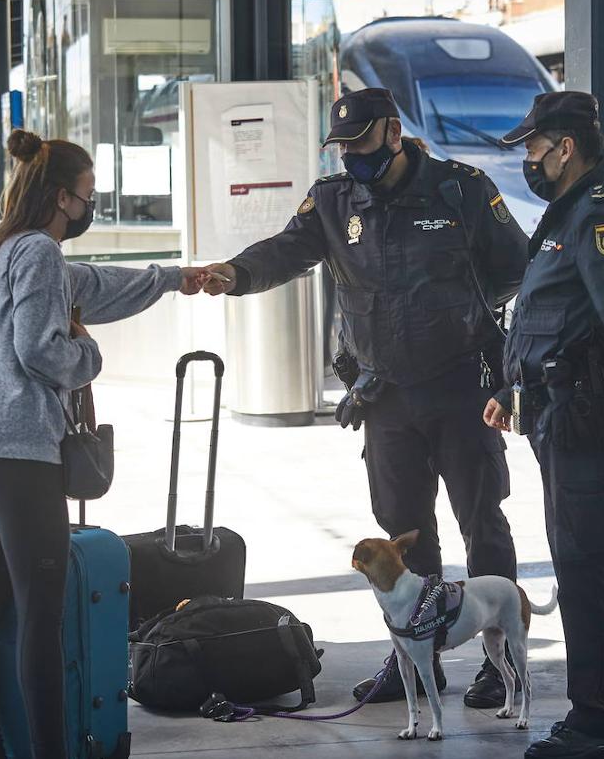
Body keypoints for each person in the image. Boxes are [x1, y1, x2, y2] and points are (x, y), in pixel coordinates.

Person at [202, 88, 530, 707]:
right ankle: (419, 658)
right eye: (343, 144)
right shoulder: (332, 200)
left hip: (462, 387)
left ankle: (499, 657)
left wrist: (467, 311)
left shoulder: (460, 189)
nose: (351, 152)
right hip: (387, 395)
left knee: (482, 523)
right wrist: (237, 273)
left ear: (393, 132)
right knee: (404, 534)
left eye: (360, 141)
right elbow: (287, 250)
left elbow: (516, 264)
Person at [0, 129, 207, 759]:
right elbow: (41, 351)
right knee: (42, 615)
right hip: (17, 452)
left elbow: (94, 285)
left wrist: (176, 277)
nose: (92, 205)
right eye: (88, 194)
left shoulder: (8, 248)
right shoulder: (37, 252)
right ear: (63, 197)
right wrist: (89, 355)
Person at [485, 92, 604, 759]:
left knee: (584, 569)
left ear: (566, 148)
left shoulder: (600, 217)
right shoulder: (567, 214)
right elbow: (552, 317)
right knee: (590, 565)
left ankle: (593, 724)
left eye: (534, 148)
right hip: (560, 411)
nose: (529, 160)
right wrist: (513, 390)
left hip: (584, 417)